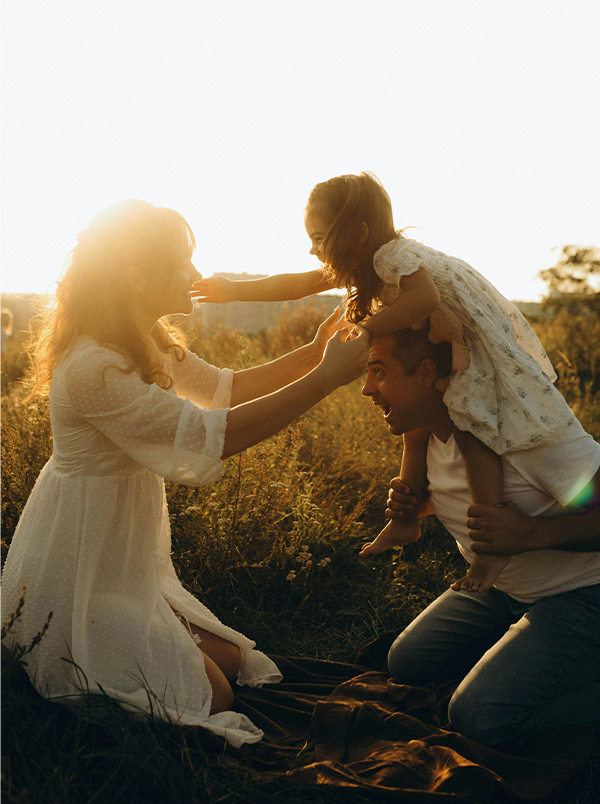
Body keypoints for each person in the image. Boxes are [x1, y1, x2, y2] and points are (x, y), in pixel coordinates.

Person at [0, 199, 369, 747]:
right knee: (213, 697)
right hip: (79, 564)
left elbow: (227, 389)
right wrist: (324, 382)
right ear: (138, 274)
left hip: (118, 560)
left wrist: (317, 355)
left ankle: (138, 635)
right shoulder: (93, 366)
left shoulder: (141, 341)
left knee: (231, 662)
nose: (196, 275)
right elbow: (209, 437)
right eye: (184, 262)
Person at [194, 172, 577, 592]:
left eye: (320, 238)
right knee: (414, 431)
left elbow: (424, 299)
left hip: (472, 350)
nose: (313, 249)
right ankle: (404, 521)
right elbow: (299, 283)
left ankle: (490, 549)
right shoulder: (363, 258)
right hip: (443, 343)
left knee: (473, 431)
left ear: (357, 233)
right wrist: (233, 290)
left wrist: (368, 331)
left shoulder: (391, 256)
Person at [361, 326, 600, 745]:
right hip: (504, 590)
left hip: (585, 593)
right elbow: (469, 500)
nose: (367, 389)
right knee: (409, 661)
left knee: (477, 717)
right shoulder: (429, 438)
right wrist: (420, 507)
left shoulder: (529, 439)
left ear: (425, 373)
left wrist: (533, 534)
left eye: (379, 372)